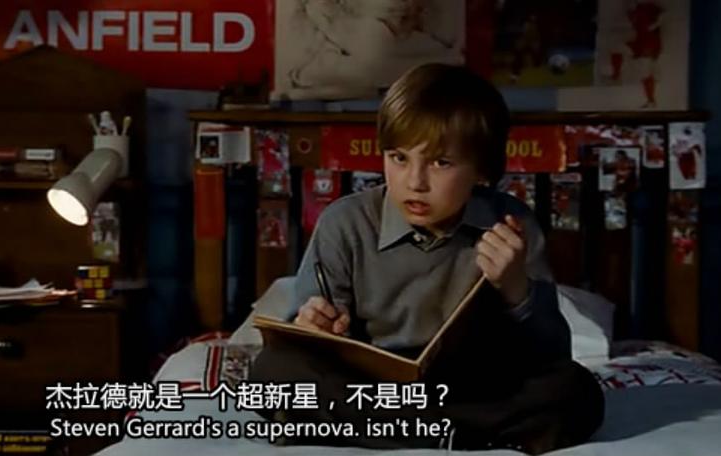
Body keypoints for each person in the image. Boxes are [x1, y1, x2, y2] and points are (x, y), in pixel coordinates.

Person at [248, 63, 604, 454]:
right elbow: (300, 341)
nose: (415, 182)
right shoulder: (345, 222)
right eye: (399, 158)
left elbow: (552, 355)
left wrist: (517, 289)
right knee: (270, 371)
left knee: (576, 389)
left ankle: (388, 431)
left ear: (481, 169)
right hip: (369, 389)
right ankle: (452, 436)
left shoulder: (511, 225)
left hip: (468, 390)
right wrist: (317, 326)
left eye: (440, 163)